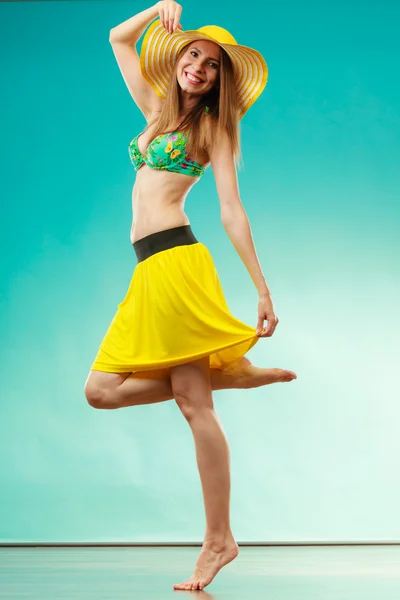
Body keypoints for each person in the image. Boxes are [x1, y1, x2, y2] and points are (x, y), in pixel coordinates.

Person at [84, 0, 297, 591]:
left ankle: (218, 540)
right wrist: (158, 7)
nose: (199, 68)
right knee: (101, 391)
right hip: (146, 269)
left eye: (211, 66)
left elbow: (231, 210)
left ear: (222, 81)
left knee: (193, 406)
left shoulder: (214, 131)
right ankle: (234, 373)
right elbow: (118, 40)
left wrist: (261, 286)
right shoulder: (155, 110)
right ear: (179, 58)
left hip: (178, 263)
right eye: (193, 55)